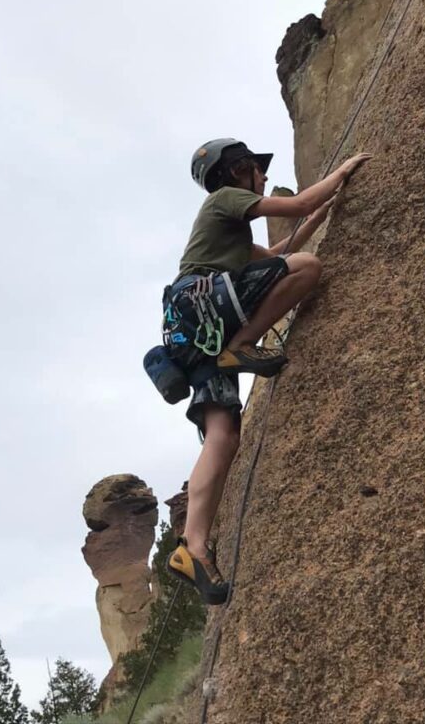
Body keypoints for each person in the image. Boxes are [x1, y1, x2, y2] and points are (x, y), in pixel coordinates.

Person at [164, 138, 371, 604]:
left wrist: (322, 212)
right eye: (254, 169)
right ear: (238, 171)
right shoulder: (225, 199)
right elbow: (295, 211)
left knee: (223, 437)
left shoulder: (227, 240)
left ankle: (191, 547)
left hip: (193, 330)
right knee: (308, 268)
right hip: (206, 306)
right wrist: (341, 173)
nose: (260, 175)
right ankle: (241, 345)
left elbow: (279, 250)